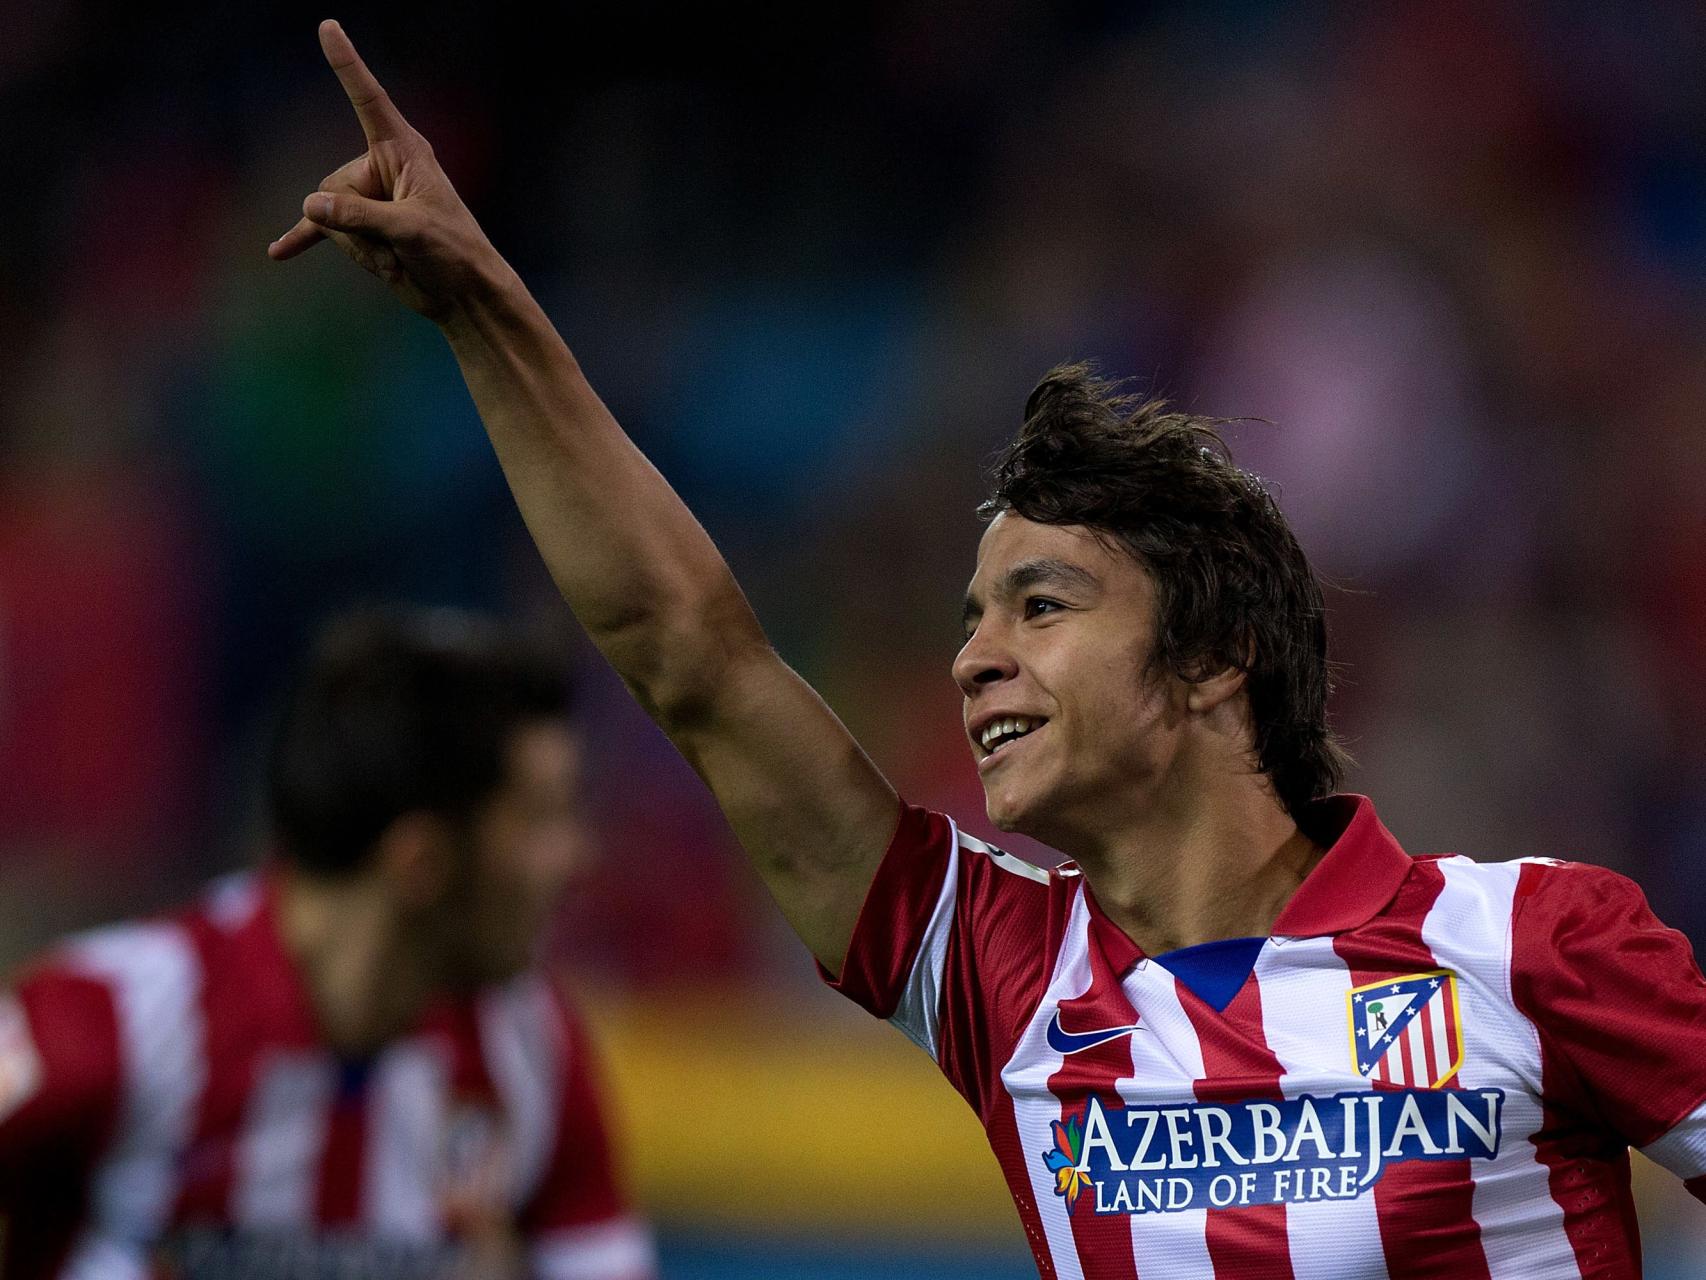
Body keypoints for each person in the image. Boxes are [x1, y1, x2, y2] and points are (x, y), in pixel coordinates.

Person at [268, 21, 1706, 1277]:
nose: (971, 662)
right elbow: (688, 658)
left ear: (1213, 656)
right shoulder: (1001, 979)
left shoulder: (1527, 946)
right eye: (969, 618)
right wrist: (486, 314)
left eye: (1040, 605)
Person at [0, 607, 656, 1280]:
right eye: (542, 820)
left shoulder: (535, 1049)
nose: (580, 860)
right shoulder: (99, 1021)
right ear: (421, 862)